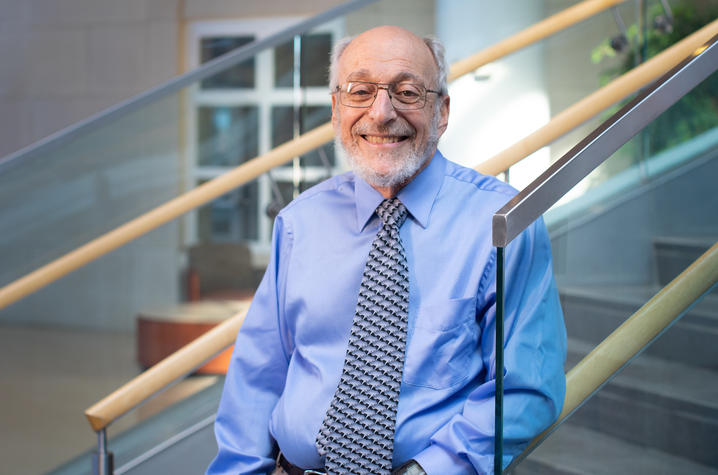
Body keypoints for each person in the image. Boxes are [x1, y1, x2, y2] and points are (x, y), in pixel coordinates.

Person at [207, 26, 566, 475]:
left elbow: (526, 388)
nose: (381, 113)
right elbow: (256, 380)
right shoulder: (299, 223)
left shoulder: (504, 224)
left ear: (442, 112)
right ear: (337, 111)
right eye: (360, 92)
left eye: (407, 92)